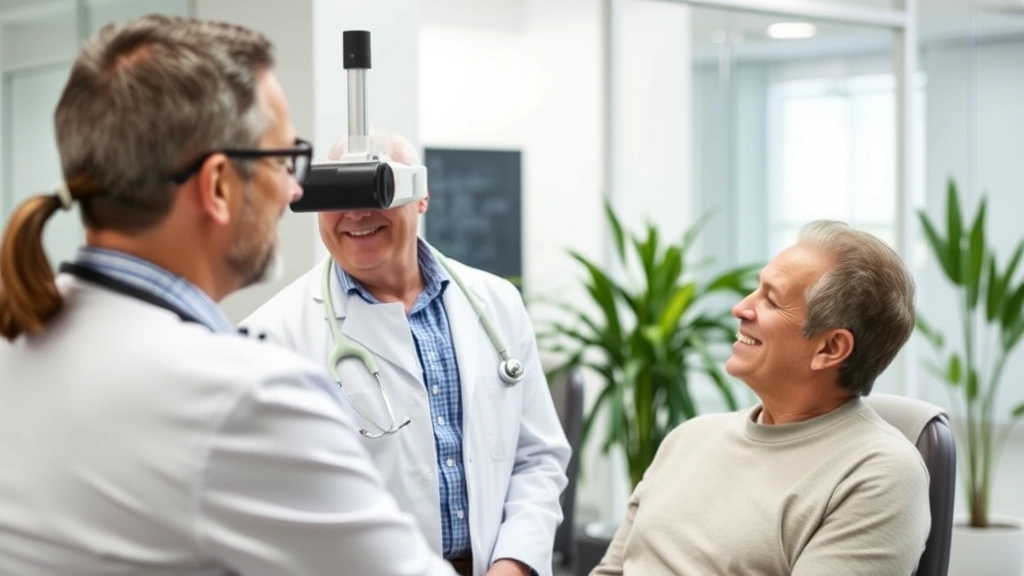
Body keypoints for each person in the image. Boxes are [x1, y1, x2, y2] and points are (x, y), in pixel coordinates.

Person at [0, 15, 455, 576]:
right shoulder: (245, 399)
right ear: (217, 186)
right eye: (285, 160)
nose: (293, 189)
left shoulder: (18, 335)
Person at [240, 132, 571, 576]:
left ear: (421, 196)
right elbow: (271, 504)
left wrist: (514, 565)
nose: (356, 213)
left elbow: (537, 458)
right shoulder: (272, 335)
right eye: (337, 194)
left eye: (377, 189)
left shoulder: (497, 304)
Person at [591, 220, 930, 576]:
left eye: (771, 300)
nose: (740, 308)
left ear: (830, 348)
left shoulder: (879, 475)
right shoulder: (688, 438)